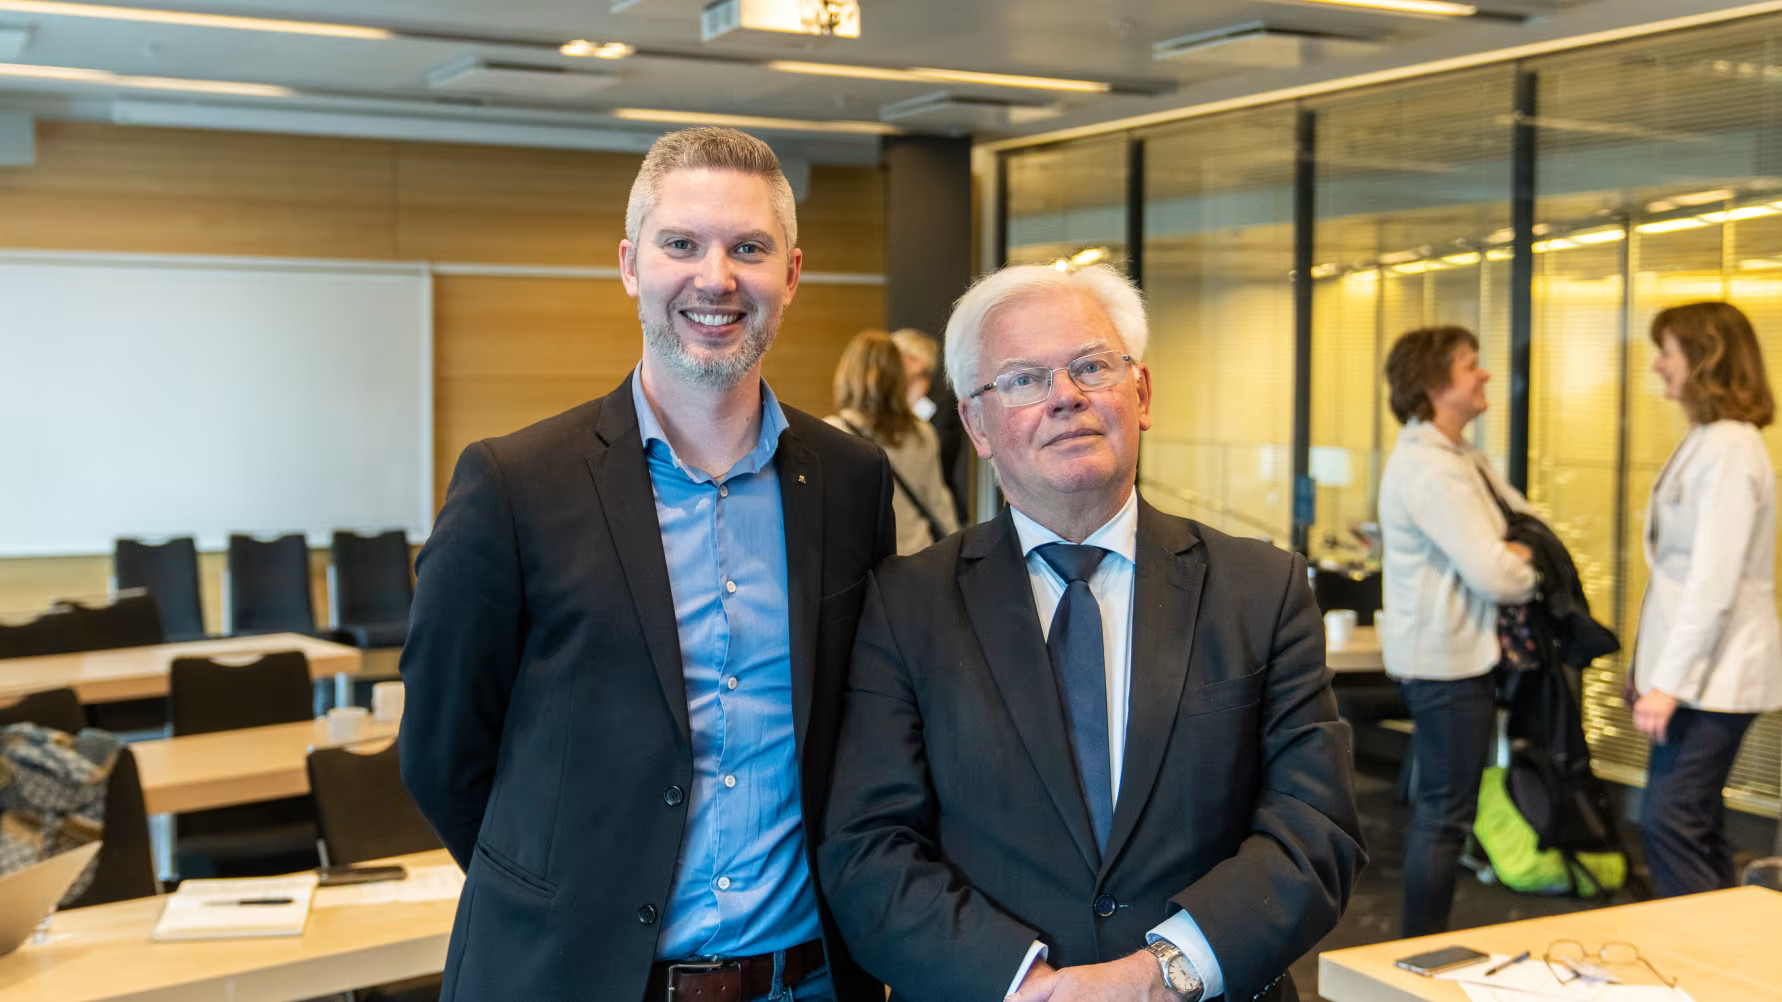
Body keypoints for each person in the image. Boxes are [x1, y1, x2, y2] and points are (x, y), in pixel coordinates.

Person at [399, 127, 894, 1002]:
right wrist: (555, 897)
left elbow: (867, 731)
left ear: (792, 273)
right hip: (569, 978)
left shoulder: (850, 482)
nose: (716, 278)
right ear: (631, 265)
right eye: (682, 244)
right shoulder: (513, 485)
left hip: (807, 982)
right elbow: (444, 754)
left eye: (749, 248)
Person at [818, 263, 1364, 1002]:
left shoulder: (1260, 590)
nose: (1065, 397)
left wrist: (1161, 975)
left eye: (1091, 366)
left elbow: (1315, 828)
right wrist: (1028, 986)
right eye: (1022, 379)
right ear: (976, 424)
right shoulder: (907, 604)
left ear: (1140, 394)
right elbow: (868, 848)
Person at [1376, 325, 1537, 937]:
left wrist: (1524, 550)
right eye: (1472, 365)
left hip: (1463, 660)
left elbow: (1530, 526)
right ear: (1435, 384)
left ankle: (1425, 943)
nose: (1486, 374)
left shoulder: (1461, 457)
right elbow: (1497, 572)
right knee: (1444, 814)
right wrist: (1526, 563)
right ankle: (1419, 950)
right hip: (1445, 668)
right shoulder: (1430, 470)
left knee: (1447, 810)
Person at [1632, 301, 1782, 897]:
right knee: (1691, 824)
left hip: (1714, 677)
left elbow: (1712, 581)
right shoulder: (1708, 439)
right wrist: (1652, 672)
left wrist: (1667, 682)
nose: (1657, 365)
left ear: (1704, 359)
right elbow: (1676, 573)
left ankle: (1701, 966)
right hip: (1697, 674)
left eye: (1667, 352)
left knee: (1671, 823)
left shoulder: (1730, 447)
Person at [825, 330, 960, 554]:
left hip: (863, 564)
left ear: (847, 375)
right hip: (918, 562)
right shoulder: (921, 433)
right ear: (899, 378)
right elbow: (939, 505)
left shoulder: (831, 432)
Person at [889, 327, 940, 421]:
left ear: (919, 363)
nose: (888, 362)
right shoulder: (886, 402)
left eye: (895, 355)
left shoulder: (944, 407)